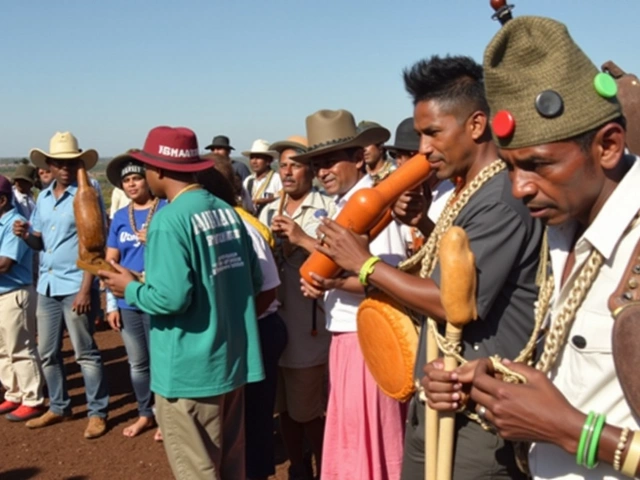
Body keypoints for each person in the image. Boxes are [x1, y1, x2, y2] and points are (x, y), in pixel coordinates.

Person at [424, 16, 640, 480]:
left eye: (538, 165)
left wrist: (571, 432)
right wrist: (485, 381)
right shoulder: (559, 233)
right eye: (510, 167)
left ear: (607, 145)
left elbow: (568, 420)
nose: (519, 188)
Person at [313, 57, 543, 480]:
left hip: (478, 414)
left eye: (433, 133)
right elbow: (455, 269)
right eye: (420, 135)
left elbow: (452, 302)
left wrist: (363, 265)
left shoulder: (500, 199)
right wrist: (422, 223)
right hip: (441, 397)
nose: (422, 149)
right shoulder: (470, 193)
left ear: (476, 125)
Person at [99, 126, 265, 480]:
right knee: (231, 464)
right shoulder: (225, 211)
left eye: (144, 166)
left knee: (199, 471)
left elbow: (170, 298)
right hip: (232, 361)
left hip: (189, 370)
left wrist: (129, 288)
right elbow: (251, 280)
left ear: (158, 170)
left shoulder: (168, 221)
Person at [296, 109, 408, 480]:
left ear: (359, 158)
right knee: (357, 439)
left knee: (370, 439)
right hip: (349, 336)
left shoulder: (371, 205)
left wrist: (331, 284)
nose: (322, 172)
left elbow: (388, 276)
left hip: (368, 338)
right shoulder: (348, 204)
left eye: (330, 162)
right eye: (317, 165)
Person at [13, 131, 109, 439]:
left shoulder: (88, 195)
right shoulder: (43, 198)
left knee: (85, 352)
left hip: (75, 286)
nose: (65, 167)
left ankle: (97, 412)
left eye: (71, 162)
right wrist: (25, 235)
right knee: (47, 352)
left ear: (78, 163)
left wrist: (86, 288)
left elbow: (95, 247)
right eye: (59, 162)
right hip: (48, 287)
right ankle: (59, 405)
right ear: (50, 165)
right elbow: (40, 243)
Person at [197, 159, 287, 480]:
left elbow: (268, 290)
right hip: (246, 328)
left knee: (253, 418)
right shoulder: (222, 222)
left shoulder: (242, 225)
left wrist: (239, 325)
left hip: (257, 330)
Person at [259, 136, 334, 480]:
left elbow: (339, 259)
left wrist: (301, 238)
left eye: (295, 165)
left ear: (312, 170)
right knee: (284, 410)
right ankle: (298, 467)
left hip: (310, 327)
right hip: (276, 326)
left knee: (309, 412)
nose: (287, 172)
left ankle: (326, 468)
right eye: (283, 165)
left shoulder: (328, 208)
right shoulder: (266, 211)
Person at [104, 153, 166, 438]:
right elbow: (110, 260)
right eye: (126, 180)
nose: (131, 185)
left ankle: (165, 417)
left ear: (147, 180)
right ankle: (145, 413)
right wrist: (110, 304)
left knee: (162, 359)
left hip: (157, 296)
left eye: (136, 178)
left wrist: (154, 239)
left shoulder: (165, 209)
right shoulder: (119, 217)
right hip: (126, 300)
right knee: (138, 362)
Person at [0, 175, 45, 422]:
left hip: (14, 294)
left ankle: (32, 398)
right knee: (3, 350)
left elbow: (5, 264)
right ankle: (13, 392)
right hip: (3, 294)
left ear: (2, 200)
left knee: (20, 348)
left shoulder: (15, 223)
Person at [242, 139, 283, 216]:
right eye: (252, 158)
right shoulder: (248, 180)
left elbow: (284, 197)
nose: (254, 161)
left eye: (258, 158)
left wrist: (267, 201)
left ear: (268, 161)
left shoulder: (277, 179)